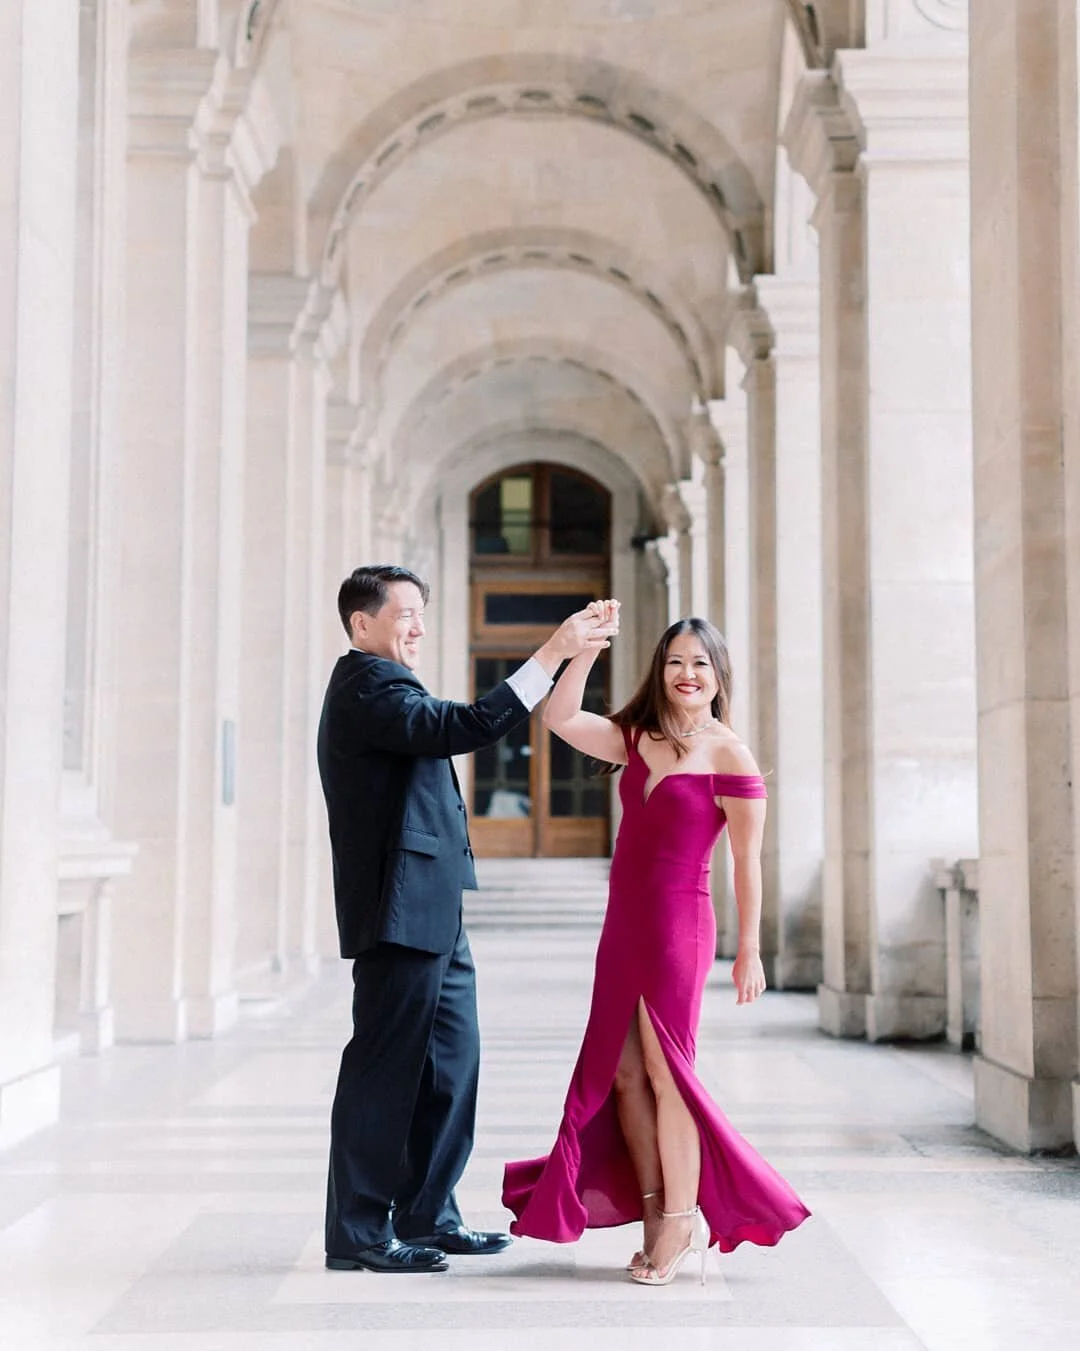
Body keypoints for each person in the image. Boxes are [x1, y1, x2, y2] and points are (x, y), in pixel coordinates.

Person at [318, 564, 617, 1274]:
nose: (418, 625)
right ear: (363, 624)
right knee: (384, 1070)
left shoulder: (388, 683)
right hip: (397, 908)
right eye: (405, 613)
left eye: (423, 611)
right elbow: (471, 725)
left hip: (432, 904)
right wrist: (556, 650)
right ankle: (358, 1230)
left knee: (453, 1060)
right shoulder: (367, 686)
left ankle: (428, 1210)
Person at [502, 606, 810, 1286]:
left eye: (700, 662)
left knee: (668, 1072)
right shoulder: (637, 735)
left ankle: (679, 1221)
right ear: (659, 670)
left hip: (680, 927)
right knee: (623, 1074)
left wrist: (749, 947)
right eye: (675, 661)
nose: (687, 673)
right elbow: (559, 718)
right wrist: (585, 647)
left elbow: (747, 862)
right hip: (623, 926)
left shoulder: (732, 752)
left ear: (719, 674)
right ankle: (652, 1212)